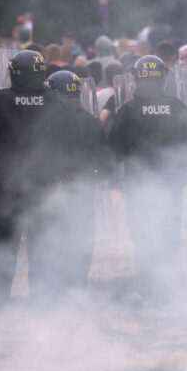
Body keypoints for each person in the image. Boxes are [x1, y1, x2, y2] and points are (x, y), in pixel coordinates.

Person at [107, 55, 187, 301]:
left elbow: (113, 150)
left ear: (137, 78)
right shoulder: (177, 106)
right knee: (169, 233)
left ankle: (148, 287)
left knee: (143, 235)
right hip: (171, 184)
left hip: (139, 186)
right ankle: (169, 286)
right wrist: (184, 173)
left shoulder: (127, 111)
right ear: (162, 78)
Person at [0, 50, 81, 303]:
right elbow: (74, 144)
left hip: (4, 188)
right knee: (42, 247)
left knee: (3, 247)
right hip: (46, 187)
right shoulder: (60, 102)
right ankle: (42, 303)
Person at [47, 70, 113, 291]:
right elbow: (105, 166)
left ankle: (57, 291)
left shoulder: (44, 122)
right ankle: (77, 290)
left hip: (52, 193)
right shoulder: (91, 122)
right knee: (83, 239)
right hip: (82, 192)